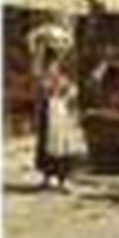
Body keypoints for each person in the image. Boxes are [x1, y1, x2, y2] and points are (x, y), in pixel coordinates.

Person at [34, 48, 78, 192]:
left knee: (61, 147)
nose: (52, 67)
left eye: (54, 64)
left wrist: (65, 91)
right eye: (50, 64)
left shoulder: (63, 78)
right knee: (46, 145)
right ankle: (46, 177)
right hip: (49, 113)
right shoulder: (44, 79)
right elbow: (42, 94)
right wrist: (48, 90)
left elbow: (72, 92)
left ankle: (62, 180)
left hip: (60, 113)